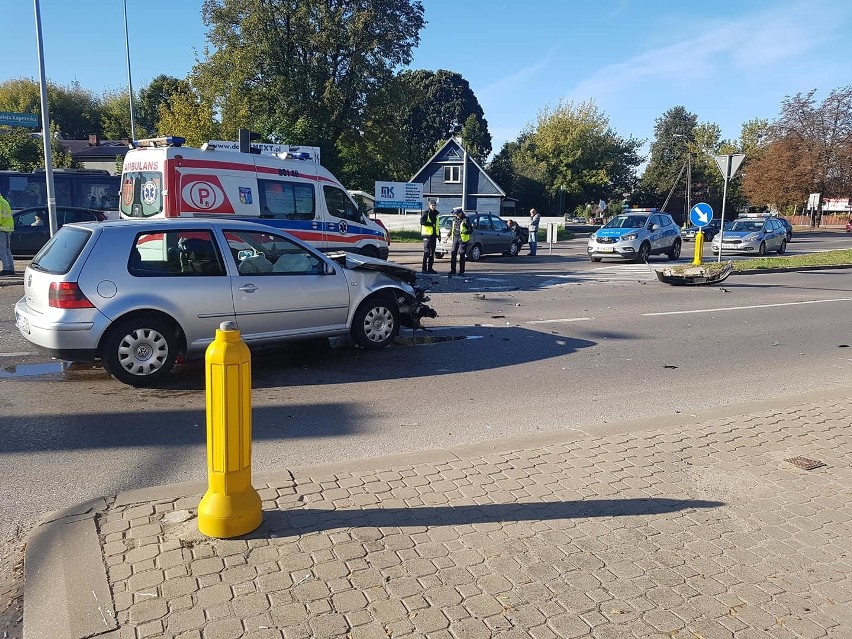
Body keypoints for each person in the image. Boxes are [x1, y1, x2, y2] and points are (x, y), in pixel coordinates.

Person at [448, 207, 472, 277]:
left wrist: (466, 231)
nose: (456, 215)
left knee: (462, 255)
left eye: (457, 214)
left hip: (462, 239)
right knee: (453, 253)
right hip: (455, 238)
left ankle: (461, 271)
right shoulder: (454, 219)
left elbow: (471, 230)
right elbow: (452, 228)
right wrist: (448, 236)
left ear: (461, 213)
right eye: (455, 214)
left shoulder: (465, 220)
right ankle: (453, 270)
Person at [420, 200, 440, 274]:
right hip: (427, 235)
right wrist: (431, 224)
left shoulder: (436, 214)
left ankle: (430, 268)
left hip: (434, 236)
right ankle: (424, 268)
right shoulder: (426, 213)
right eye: (432, 205)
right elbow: (422, 221)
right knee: (427, 252)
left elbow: (437, 226)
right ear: (429, 205)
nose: (433, 206)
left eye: (434, 205)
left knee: (432, 253)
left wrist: (439, 235)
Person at [0, 189, 14, 276]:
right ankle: (11, 269)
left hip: (1, 229)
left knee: (2, 250)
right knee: (7, 250)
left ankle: (6, 269)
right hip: (7, 229)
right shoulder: (4, 201)